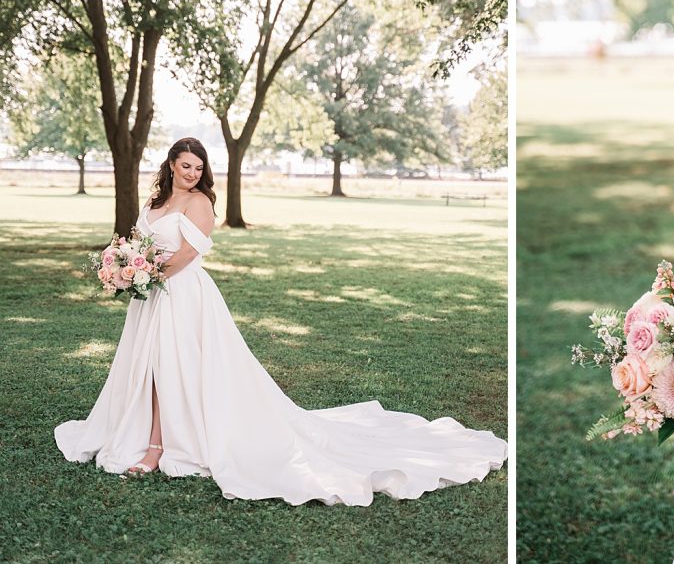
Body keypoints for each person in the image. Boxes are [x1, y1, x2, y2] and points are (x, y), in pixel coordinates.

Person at [55, 137, 506, 506]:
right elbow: (141, 242)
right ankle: (144, 435)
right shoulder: (154, 202)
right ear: (171, 164)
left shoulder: (200, 203)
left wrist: (147, 276)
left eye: (198, 167)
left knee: (175, 367)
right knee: (147, 367)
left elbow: (188, 254)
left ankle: (158, 447)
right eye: (185, 166)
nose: (192, 173)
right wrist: (127, 269)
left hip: (182, 296)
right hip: (150, 298)